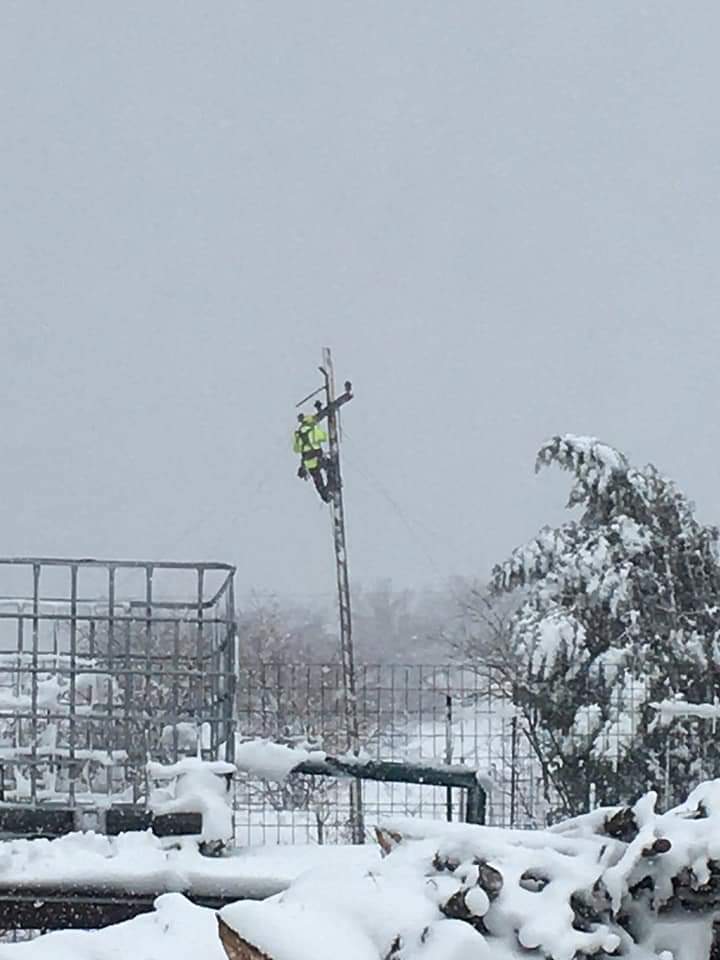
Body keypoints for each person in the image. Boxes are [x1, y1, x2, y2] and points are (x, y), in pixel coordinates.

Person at [294, 413, 333, 502]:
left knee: (318, 480)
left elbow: (296, 449)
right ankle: (332, 486)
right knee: (330, 467)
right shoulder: (313, 428)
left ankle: (325, 495)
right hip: (318, 458)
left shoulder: (298, 433)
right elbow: (323, 437)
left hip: (308, 463)